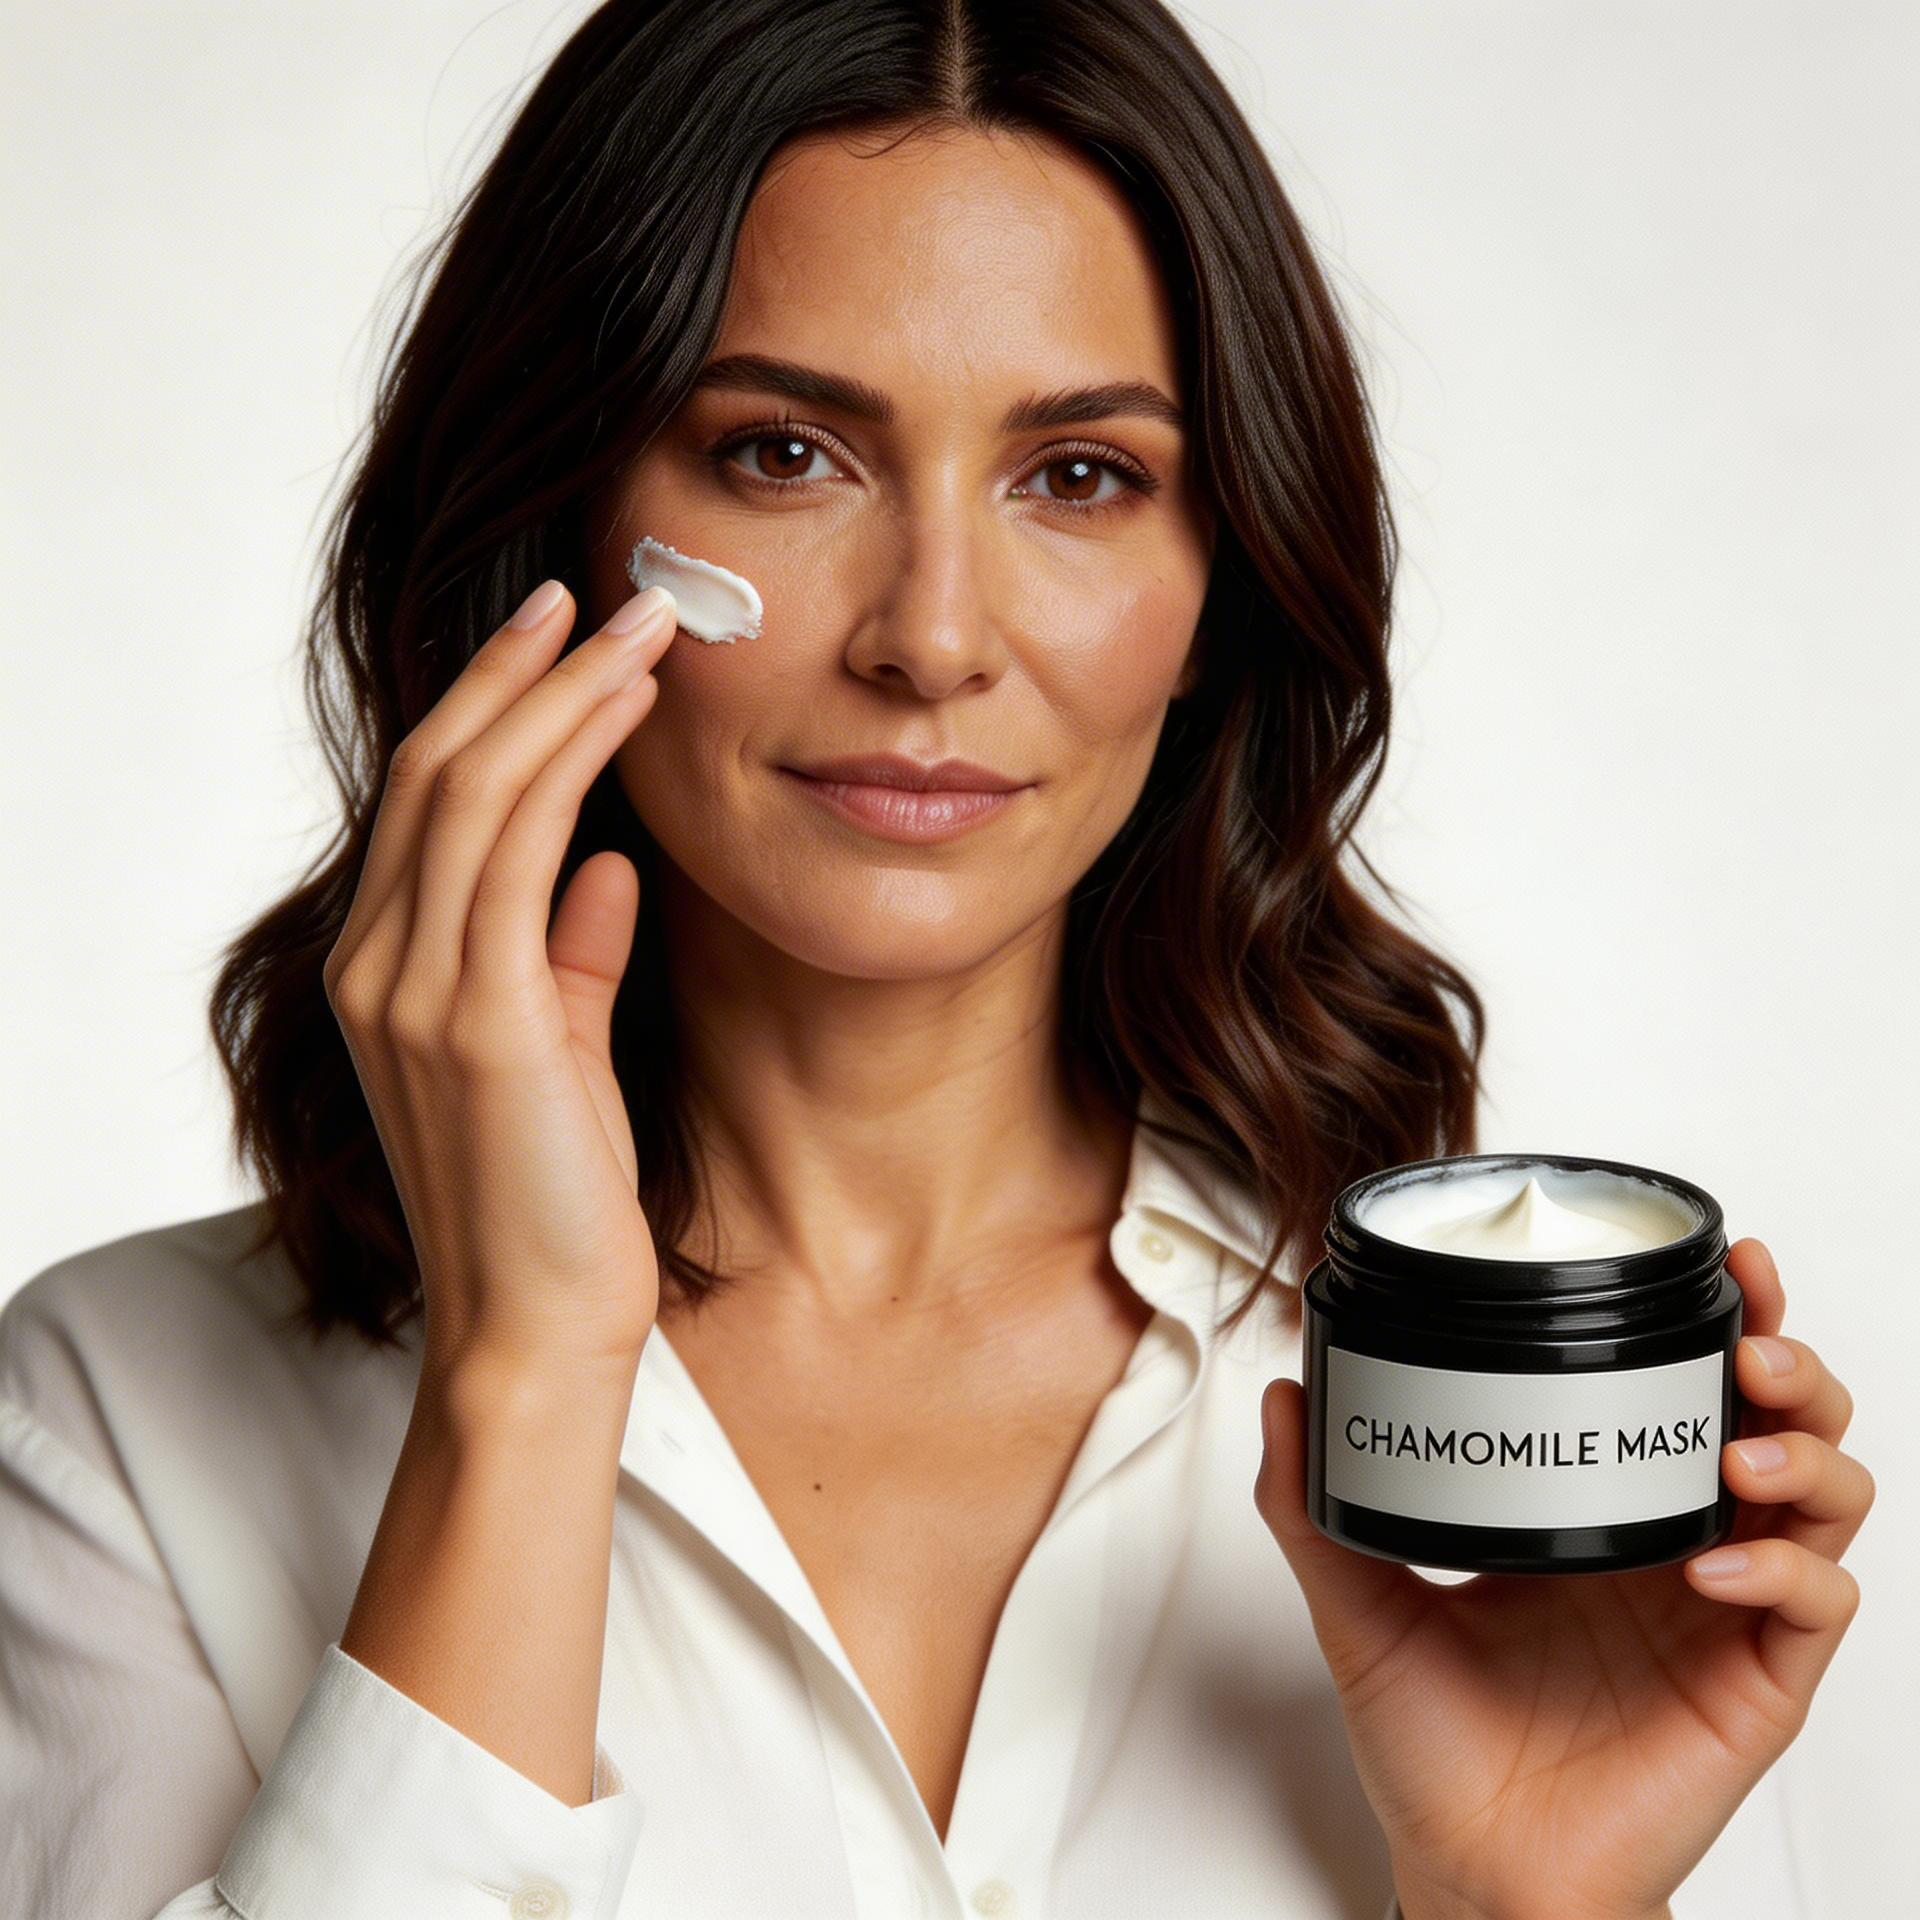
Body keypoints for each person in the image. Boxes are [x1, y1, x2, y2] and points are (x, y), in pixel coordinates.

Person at [0, 3, 1872, 1916]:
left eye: (1079, 477)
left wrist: (1533, 1907)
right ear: (556, 521)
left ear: (1218, 590)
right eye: (784, 452)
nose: (934, 637)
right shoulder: (123, 1419)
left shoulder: (1514, 1442)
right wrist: (523, 1378)